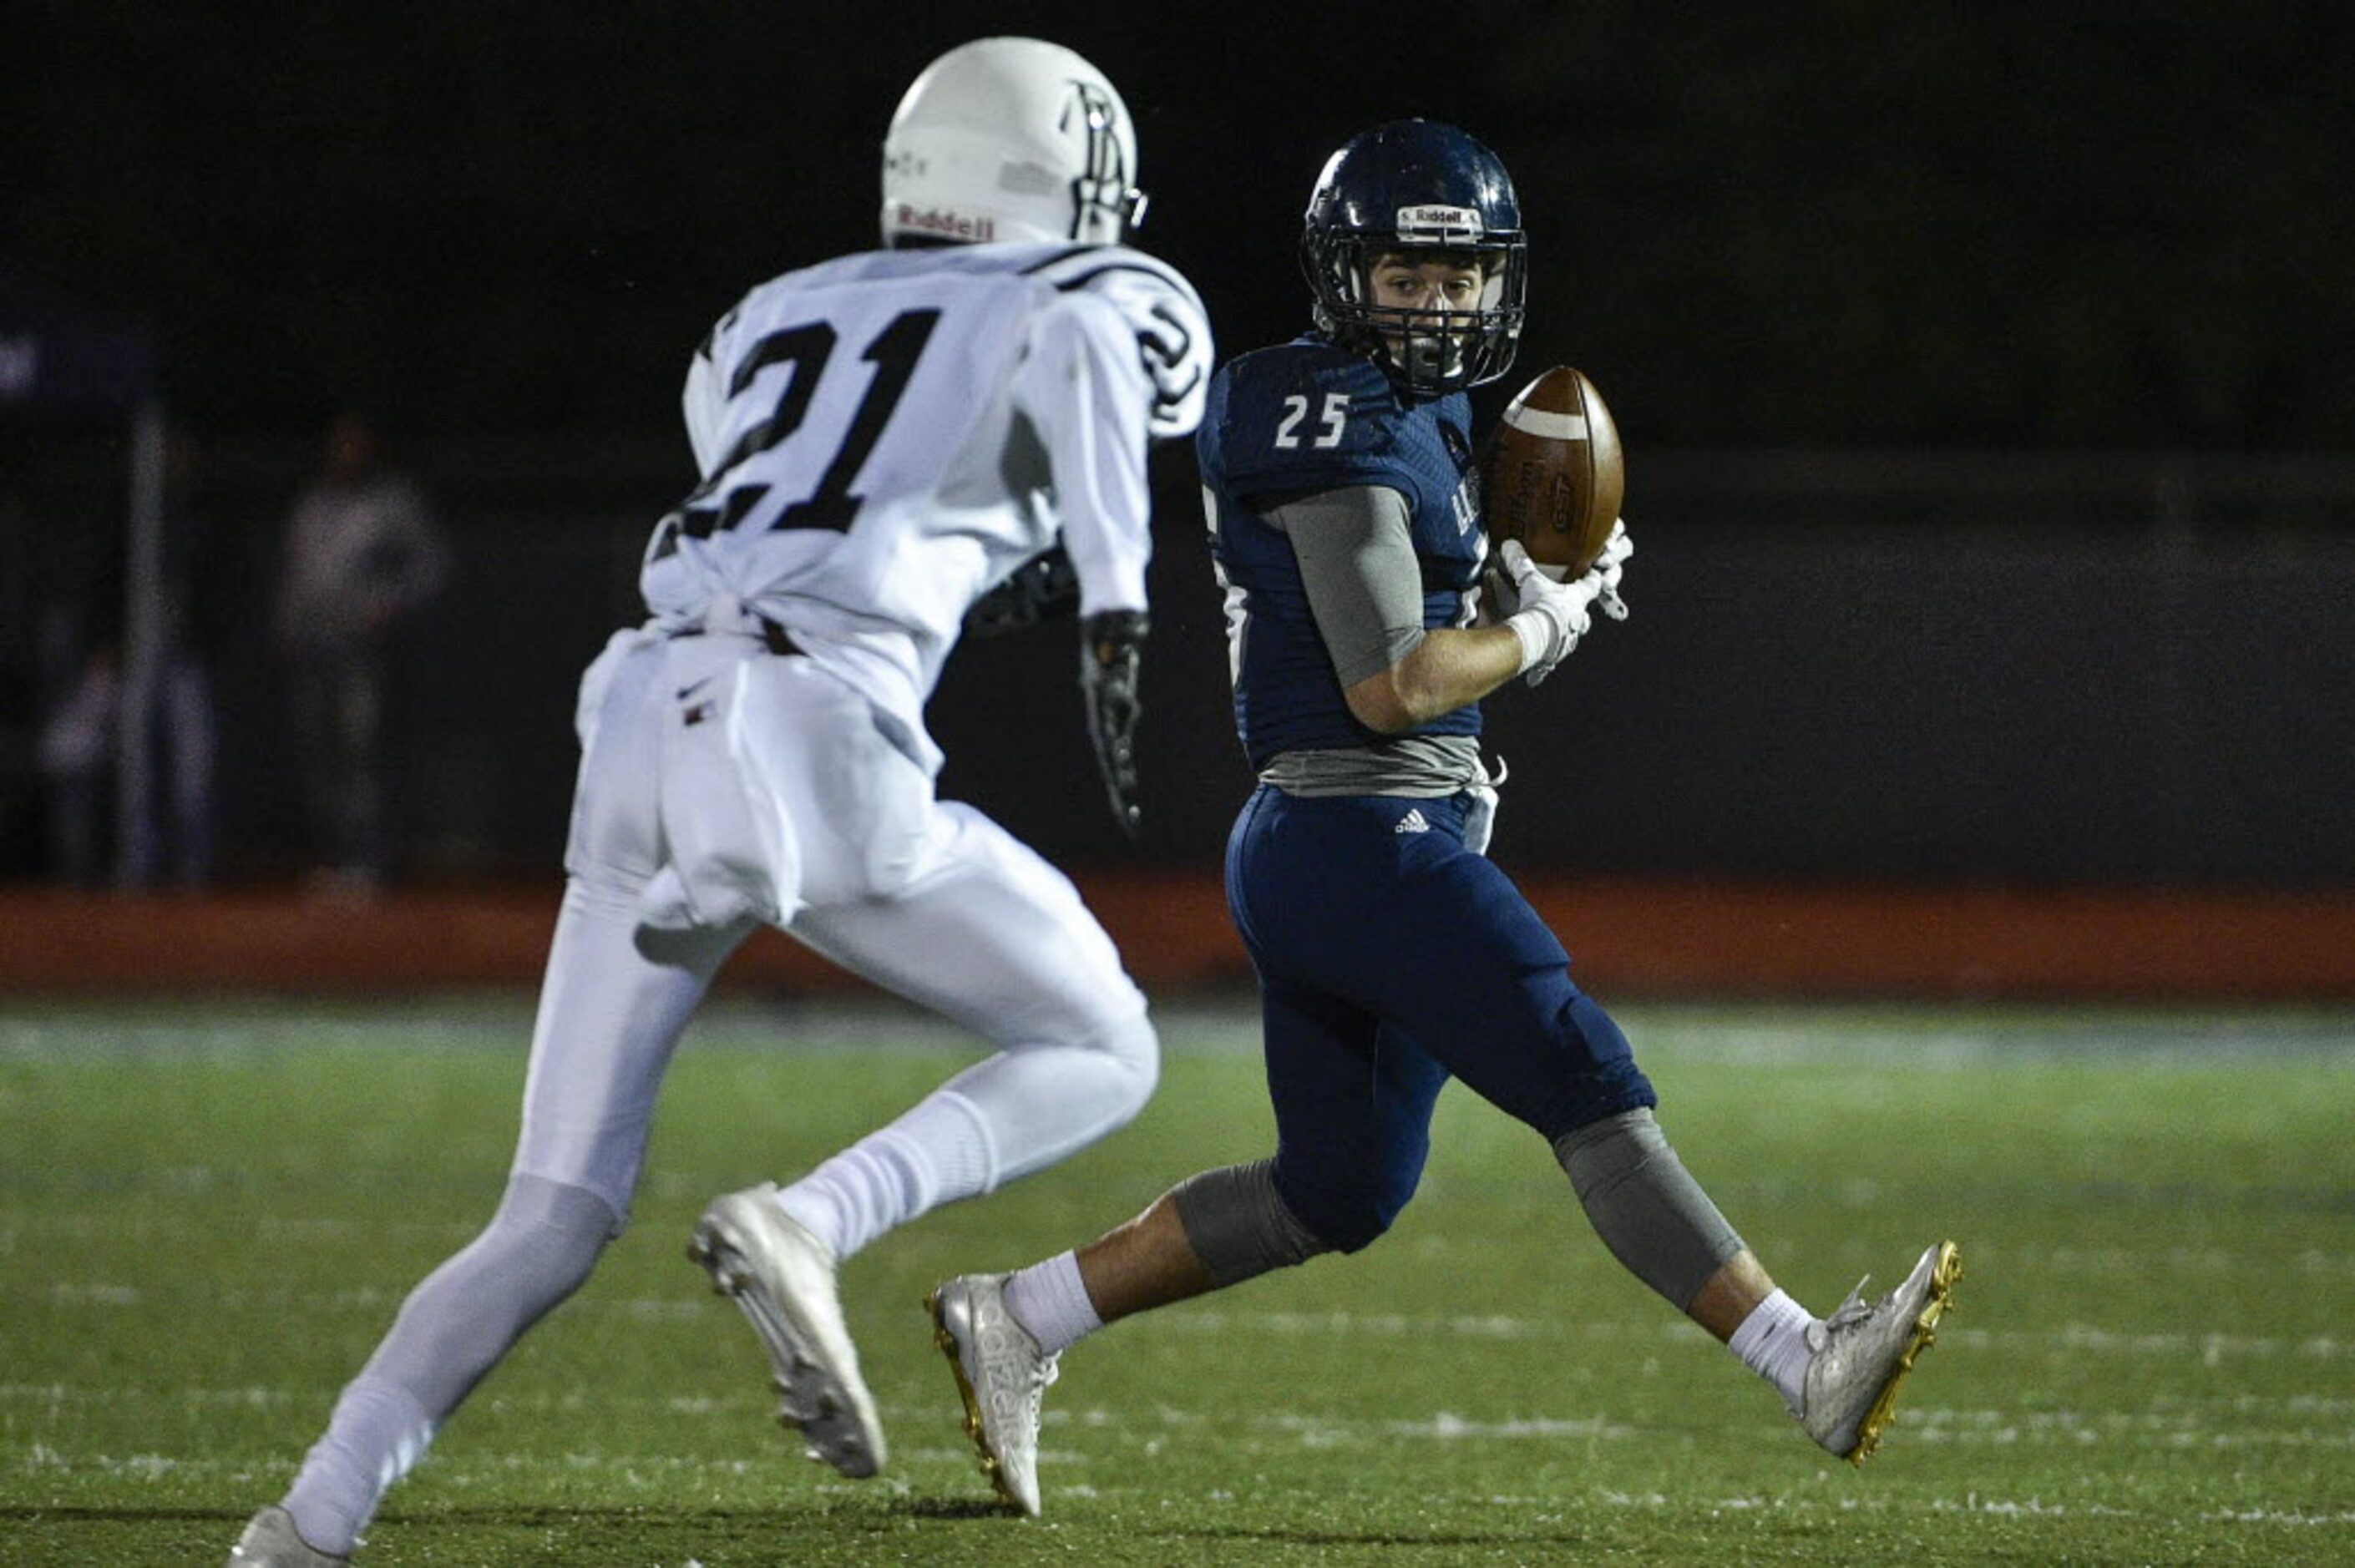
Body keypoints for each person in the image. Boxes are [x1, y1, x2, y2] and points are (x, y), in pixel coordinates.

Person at [230, 36, 1212, 1567]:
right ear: (1055, 183)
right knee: (1103, 1038)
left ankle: (305, 1521)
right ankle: (818, 1217)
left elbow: (794, 483)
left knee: (547, 1216)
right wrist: (1112, 593)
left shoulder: (775, 312)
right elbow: (1086, 362)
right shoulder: (1093, 291)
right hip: (809, 729)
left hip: (637, 712)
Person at [926, 119, 1962, 1518]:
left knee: (1334, 1192)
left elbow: (1422, 641)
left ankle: (1021, 1315)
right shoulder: (1320, 412)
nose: (1439, 303)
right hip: (1360, 837)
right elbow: (1394, 684)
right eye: (1405, 277)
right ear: (1343, 277)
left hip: (1342, 847)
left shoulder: (1423, 421)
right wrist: (1545, 621)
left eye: (1462, 276)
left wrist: (1517, 591)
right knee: (1583, 1070)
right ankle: (1806, 1360)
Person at [271, 410, 449, 893]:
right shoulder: (312, 505)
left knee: (361, 753)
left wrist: (389, 606)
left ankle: (368, 858)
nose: (346, 454)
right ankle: (332, 853)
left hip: (363, 652)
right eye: (339, 445)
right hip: (313, 650)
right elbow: (294, 576)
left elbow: (430, 568)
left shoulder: (391, 503)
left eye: (356, 445)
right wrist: (286, 628)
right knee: (318, 757)